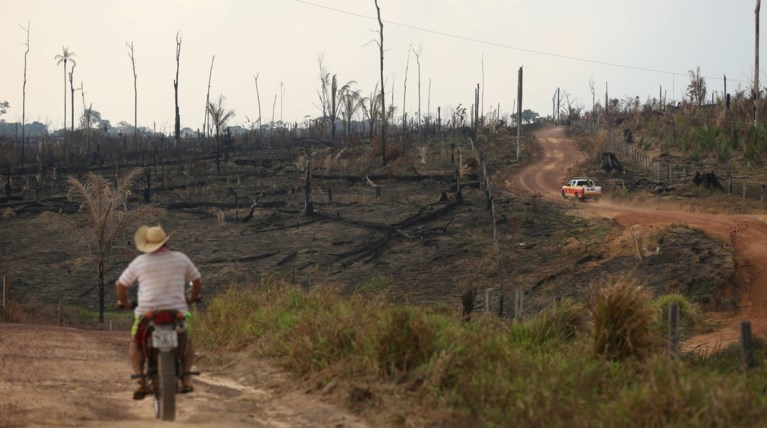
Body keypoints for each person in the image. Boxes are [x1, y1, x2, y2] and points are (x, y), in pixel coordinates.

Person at [115, 225, 202, 400]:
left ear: (146, 244)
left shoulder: (139, 262)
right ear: (166, 241)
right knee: (188, 341)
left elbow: (121, 284)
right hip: (176, 313)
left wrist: (124, 302)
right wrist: (192, 298)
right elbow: (197, 280)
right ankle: (186, 378)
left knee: (135, 342)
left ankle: (140, 381)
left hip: (147, 315)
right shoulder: (181, 259)